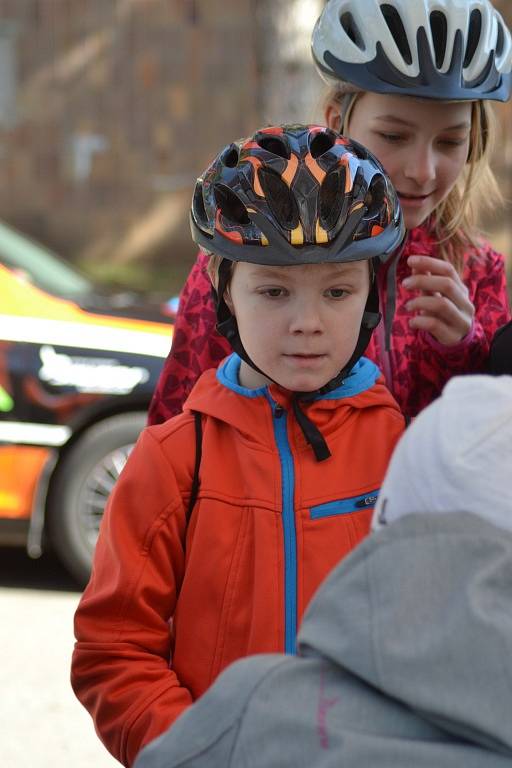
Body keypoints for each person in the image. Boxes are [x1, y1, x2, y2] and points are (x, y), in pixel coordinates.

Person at [71, 124, 407, 767]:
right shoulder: (175, 458)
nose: (307, 322)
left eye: (337, 291)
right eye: (273, 291)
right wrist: (200, 750)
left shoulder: (405, 453)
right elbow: (114, 651)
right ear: (224, 292)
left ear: (370, 296)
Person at [148, 0, 512, 425]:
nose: (422, 170)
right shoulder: (252, 246)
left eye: (450, 142)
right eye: (394, 136)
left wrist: (467, 350)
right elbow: (176, 425)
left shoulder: (477, 272)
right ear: (337, 120)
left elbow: (489, 452)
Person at [134, 374, 512, 768]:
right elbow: (117, 641)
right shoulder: (179, 450)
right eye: (274, 304)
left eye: (337, 304)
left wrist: (205, 738)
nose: (307, 323)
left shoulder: (247, 713)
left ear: (390, 516)